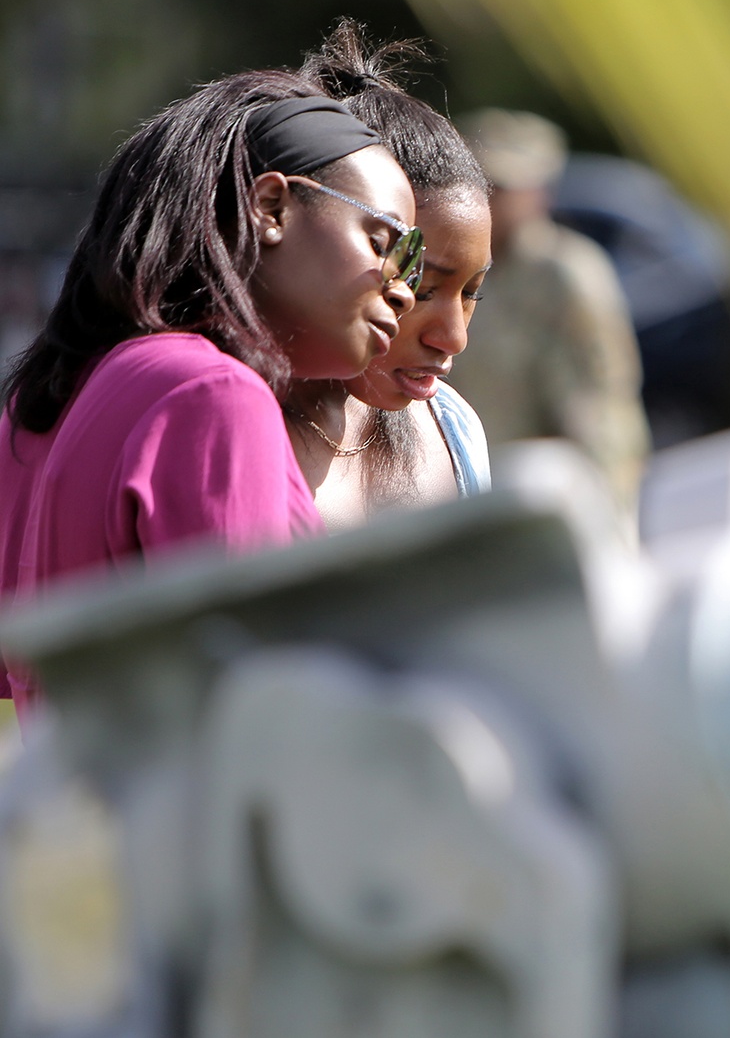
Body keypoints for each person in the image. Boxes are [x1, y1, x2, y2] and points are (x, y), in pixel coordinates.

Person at [0, 68, 423, 711]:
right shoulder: (216, 394)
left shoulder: (61, 393)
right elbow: (256, 700)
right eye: (384, 241)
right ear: (272, 208)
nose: (402, 287)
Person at [282, 23, 493, 527]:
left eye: (471, 293)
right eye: (419, 286)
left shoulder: (453, 430)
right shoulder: (230, 427)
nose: (453, 337)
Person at [450, 108, 650, 514]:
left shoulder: (566, 273)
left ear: (538, 193)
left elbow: (602, 403)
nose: (491, 197)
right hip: (472, 489)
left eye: (503, 187)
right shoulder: (458, 269)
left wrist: (605, 507)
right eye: (481, 182)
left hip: (547, 492)